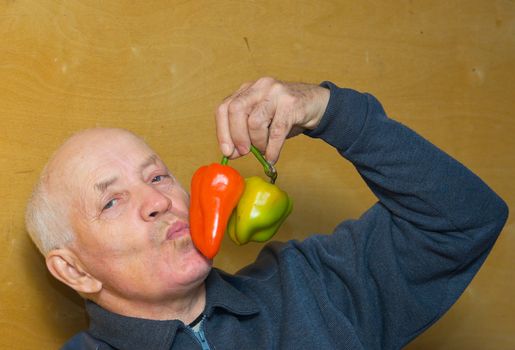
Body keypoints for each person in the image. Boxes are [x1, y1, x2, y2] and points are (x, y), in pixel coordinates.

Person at [25, 77, 508, 350]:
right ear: (73, 269)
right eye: (111, 201)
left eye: (156, 177)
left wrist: (330, 112)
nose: (158, 201)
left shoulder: (309, 286)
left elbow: (463, 219)